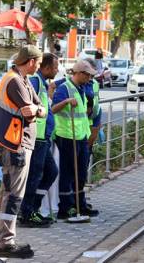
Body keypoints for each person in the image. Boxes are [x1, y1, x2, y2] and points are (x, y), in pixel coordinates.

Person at [0, 46, 44, 259]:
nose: (39, 66)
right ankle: (6, 242)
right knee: (13, 196)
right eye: (38, 62)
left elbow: (38, 108)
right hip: (15, 145)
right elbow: (30, 114)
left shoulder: (22, 79)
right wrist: (37, 111)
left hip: (15, 144)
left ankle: (4, 239)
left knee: (8, 194)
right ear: (30, 61)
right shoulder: (15, 81)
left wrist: (38, 110)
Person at [52, 60, 99, 219]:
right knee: (68, 173)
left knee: (80, 173)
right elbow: (53, 109)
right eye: (87, 75)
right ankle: (66, 207)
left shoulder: (82, 88)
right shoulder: (64, 89)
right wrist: (66, 102)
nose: (89, 78)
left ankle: (80, 204)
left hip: (80, 136)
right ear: (78, 73)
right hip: (67, 136)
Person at [19, 53, 60, 228]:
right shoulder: (35, 81)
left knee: (50, 172)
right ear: (46, 67)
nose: (58, 71)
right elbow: (28, 107)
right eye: (56, 67)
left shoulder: (43, 84)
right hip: (37, 138)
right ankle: (27, 213)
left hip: (44, 137)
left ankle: (33, 208)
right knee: (34, 176)